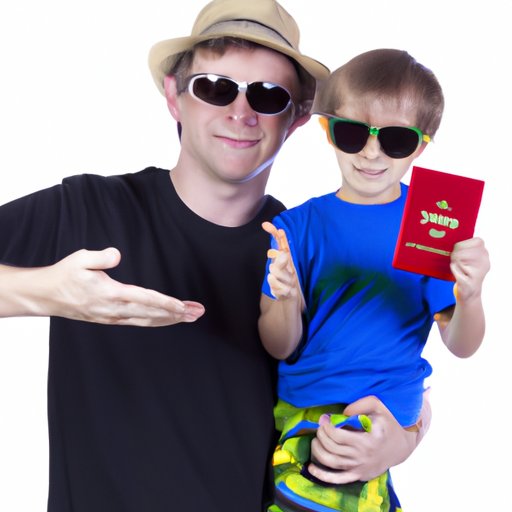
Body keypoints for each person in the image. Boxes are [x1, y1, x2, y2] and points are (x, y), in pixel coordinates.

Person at [0, 2, 432, 510]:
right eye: (215, 87)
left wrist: (405, 439)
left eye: (268, 96)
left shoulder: (305, 246)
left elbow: (395, 367)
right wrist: (43, 293)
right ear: (174, 96)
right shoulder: (89, 208)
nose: (240, 113)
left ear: (296, 117)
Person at [259, 48, 490, 512]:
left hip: (386, 414)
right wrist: (284, 298)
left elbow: (462, 345)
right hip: (305, 409)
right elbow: (280, 345)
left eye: (396, 140)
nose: (370, 152)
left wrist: (471, 295)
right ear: (328, 131)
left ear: (420, 146)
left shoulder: (431, 225)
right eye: (352, 132)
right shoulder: (295, 227)